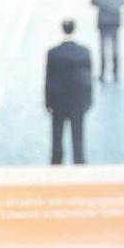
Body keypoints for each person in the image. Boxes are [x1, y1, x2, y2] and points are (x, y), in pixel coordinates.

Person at [44, 20, 93, 165]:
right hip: (77, 101)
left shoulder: (53, 53)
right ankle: (79, 163)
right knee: (78, 137)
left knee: (57, 137)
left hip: (58, 101)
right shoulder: (84, 52)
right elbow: (88, 80)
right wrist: (89, 100)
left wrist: (47, 101)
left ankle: (56, 164)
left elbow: (48, 79)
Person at [91, 0, 124, 82]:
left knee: (103, 48)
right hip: (114, 19)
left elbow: (93, 1)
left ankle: (103, 73)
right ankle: (116, 72)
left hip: (103, 20)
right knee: (115, 47)